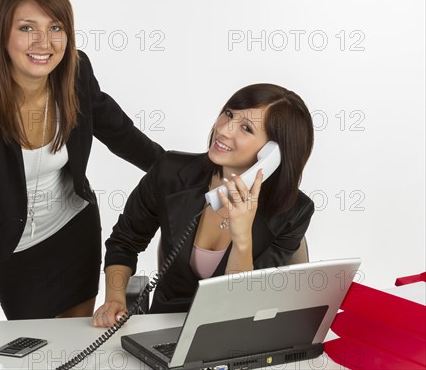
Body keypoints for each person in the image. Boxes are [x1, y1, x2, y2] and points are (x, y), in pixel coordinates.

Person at [0, 0, 164, 345]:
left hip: (73, 230)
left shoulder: (75, 71)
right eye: (26, 28)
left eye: (55, 27)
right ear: (1, 33)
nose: (44, 43)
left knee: (75, 345)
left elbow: (120, 133)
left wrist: (182, 173)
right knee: (37, 349)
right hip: (12, 249)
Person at [93, 83, 315, 327]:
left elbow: (243, 306)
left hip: (231, 333)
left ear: (273, 154)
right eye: (229, 114)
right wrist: (114, 299)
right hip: (162, 327)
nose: (224, 129)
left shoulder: (294, 212)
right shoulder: (170, 171)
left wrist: (242, 240)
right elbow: (125, 241)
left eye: (246, 128)